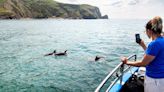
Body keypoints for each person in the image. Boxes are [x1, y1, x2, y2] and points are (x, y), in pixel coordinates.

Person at [121, 16, 164, 92]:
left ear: (149, 30)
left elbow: (143, 63)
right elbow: (153, 56)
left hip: (154, 81)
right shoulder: (161, 40)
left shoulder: (154, 44)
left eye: (145, 31)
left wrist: (127, 62)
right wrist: (143, 45)